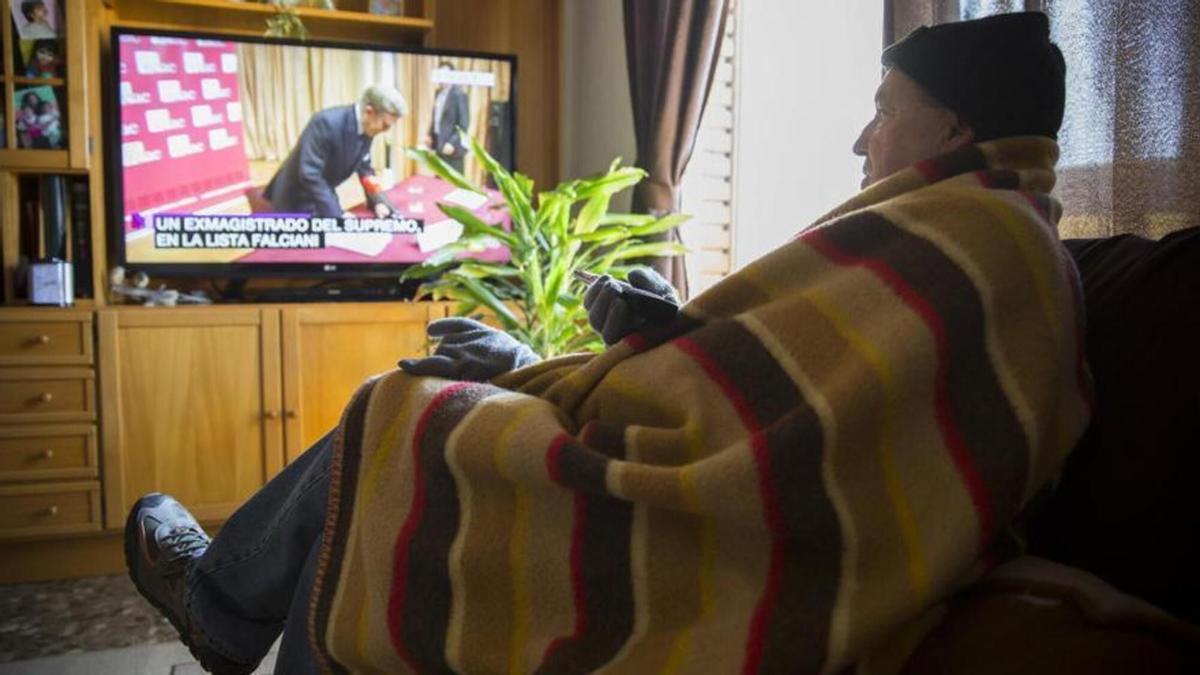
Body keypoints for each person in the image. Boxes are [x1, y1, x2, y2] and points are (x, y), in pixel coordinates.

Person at [126, 12, 1068, 674]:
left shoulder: (979, 241)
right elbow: (790, 362)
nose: (864, 138)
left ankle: (219, 607)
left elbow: (809, 416)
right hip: (704, 450)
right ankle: (226, 608)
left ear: (953, 122)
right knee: (428, 407)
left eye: (885, 105)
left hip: (725, 510)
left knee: (404, 413)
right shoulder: (971, 219)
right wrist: (658, 334)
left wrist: (594, 372)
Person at [261, 84, 406, 219]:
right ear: (369, 112)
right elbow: (310, 174)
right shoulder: (326, 122)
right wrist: (337, 216)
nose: (386, 131)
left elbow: (365, 169)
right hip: (294, 200)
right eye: (385, 125)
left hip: (321, 194)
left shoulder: (368, 126)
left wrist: (378, 201)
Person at [426, 61, 470, 173]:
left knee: (452, 184)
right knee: (439, 180)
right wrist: (429, 135)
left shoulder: (459, 95)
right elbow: (436, 118)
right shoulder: (437, 93)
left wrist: (451, 143)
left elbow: (464, 125)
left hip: (452, 149)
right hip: (438, 144)